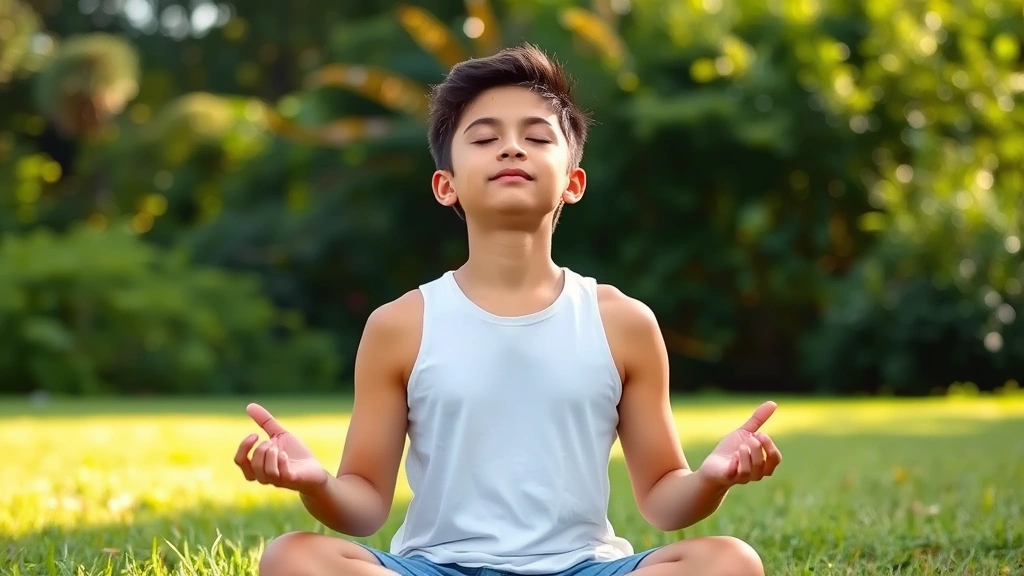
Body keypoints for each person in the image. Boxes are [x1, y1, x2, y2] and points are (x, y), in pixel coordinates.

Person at [235, 43, 782, 576]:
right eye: (485, 137)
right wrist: (316, 484)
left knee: (730, 561)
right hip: (436, 568)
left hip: (583, 568)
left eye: (537, 136)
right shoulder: (400, 324)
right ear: (445, 185)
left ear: (573, 182)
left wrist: (712, 478)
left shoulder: (623, 322)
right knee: (293, 556)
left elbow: (664, 498)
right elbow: (364, 504)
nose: (512, 148)